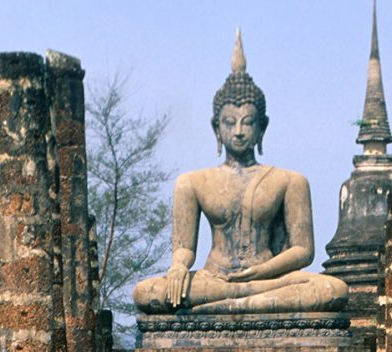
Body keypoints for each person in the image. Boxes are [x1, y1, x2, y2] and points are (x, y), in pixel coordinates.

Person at [133, 30, 348, 315]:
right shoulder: (192, 183)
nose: (238, 131)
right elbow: (184, 248)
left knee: (333, 289)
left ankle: (226, 304)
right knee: (146, 292)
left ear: (262, 127)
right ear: (216, 127)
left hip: (270, 278)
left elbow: (303, 251)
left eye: (247, 122)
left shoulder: (289, 181)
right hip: (214, 279)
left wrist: (262, 271)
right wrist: (178, 267)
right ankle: (242, 301)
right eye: (229, 122)